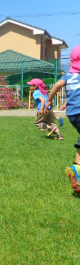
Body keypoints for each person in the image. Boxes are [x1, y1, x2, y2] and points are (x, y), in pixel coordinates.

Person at [47, 45, 80, 192]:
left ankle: (76, 168)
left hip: (73, 114)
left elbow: (58, 85)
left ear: (72, 63)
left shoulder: (68, 76)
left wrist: (49, 100)